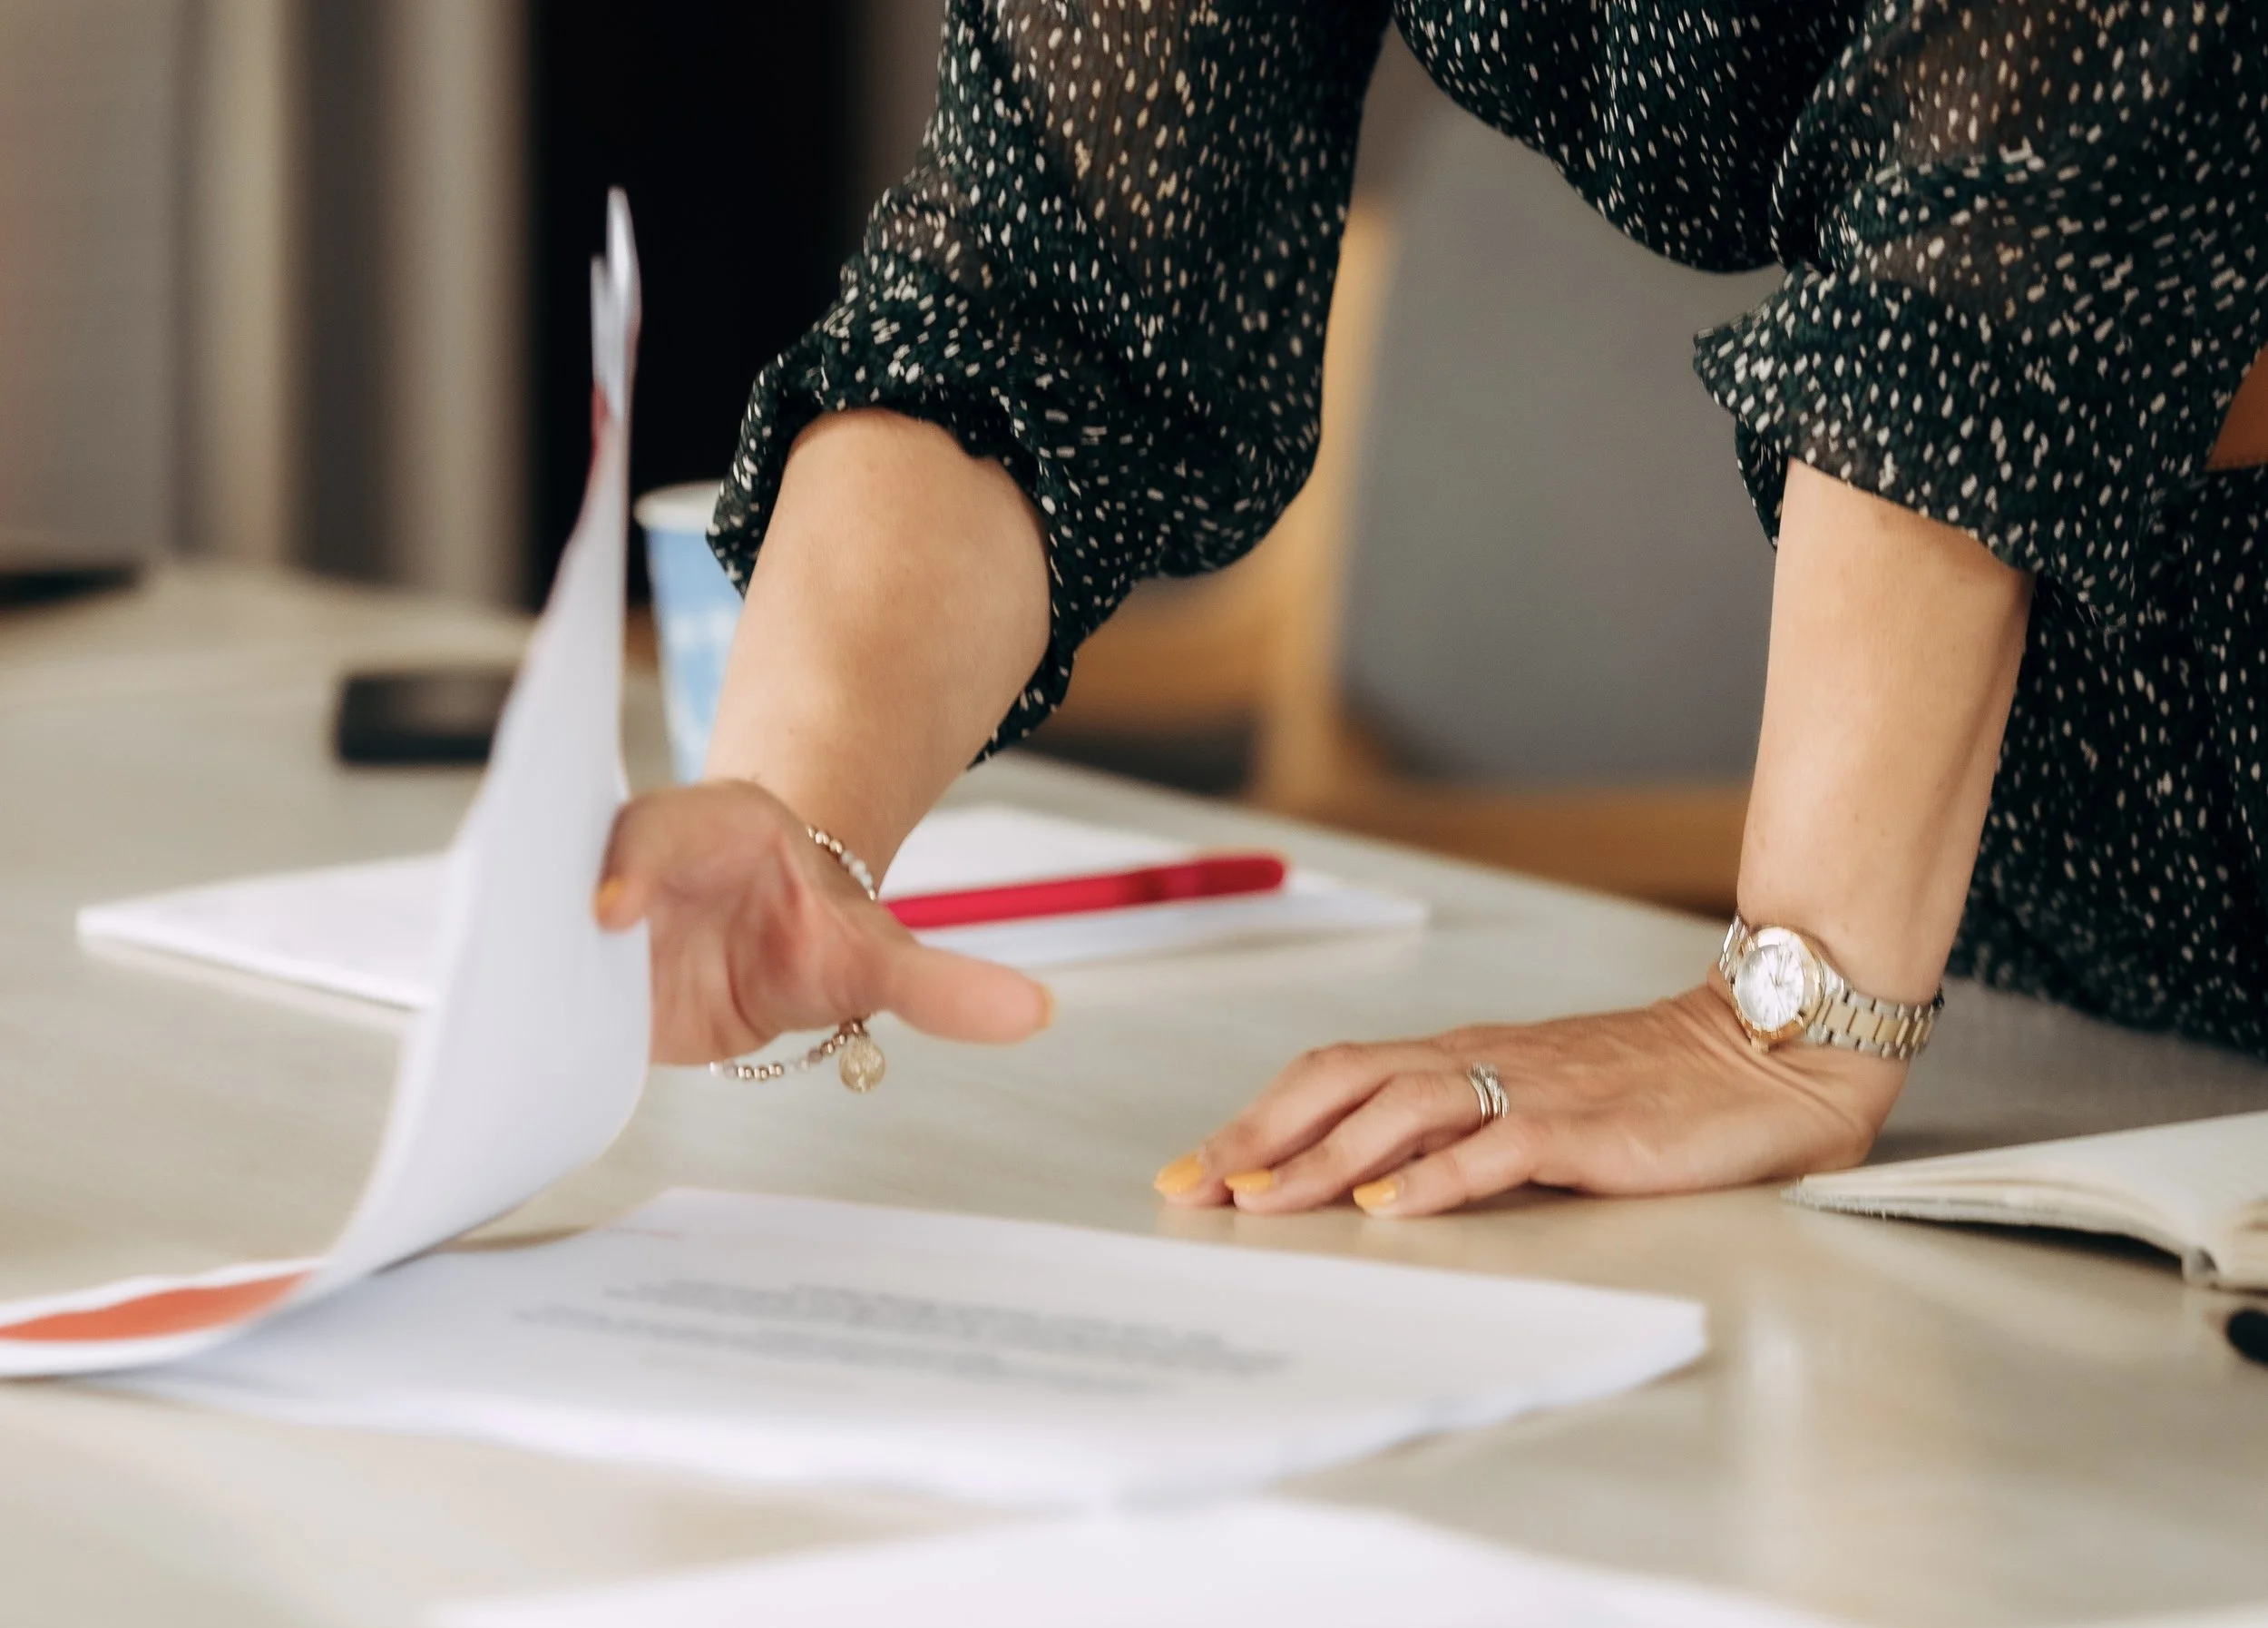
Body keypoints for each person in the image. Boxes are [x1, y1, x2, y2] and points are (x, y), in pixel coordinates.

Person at [596, 0, 2268, 1220]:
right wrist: (793, 830)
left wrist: (1794, 1010)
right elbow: (1042, 290)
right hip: (2046, 864)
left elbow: (1996, 239)